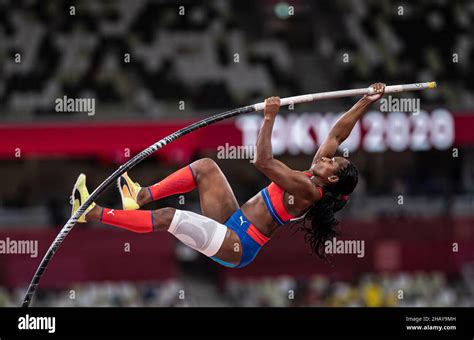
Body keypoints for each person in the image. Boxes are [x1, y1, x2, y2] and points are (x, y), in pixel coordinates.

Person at [71, 83, 386, 268]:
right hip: (233, 220)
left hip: (238, 245)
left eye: (334, 164)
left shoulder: (307, 189)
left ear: (331, 179)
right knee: (206, 167)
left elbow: (262, 161)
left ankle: (91, 212)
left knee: (168, 217)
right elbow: (337, 134)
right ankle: (139, 196)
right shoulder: (317, 171)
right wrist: (365, 101)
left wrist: (269, 117)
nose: (329, 159)